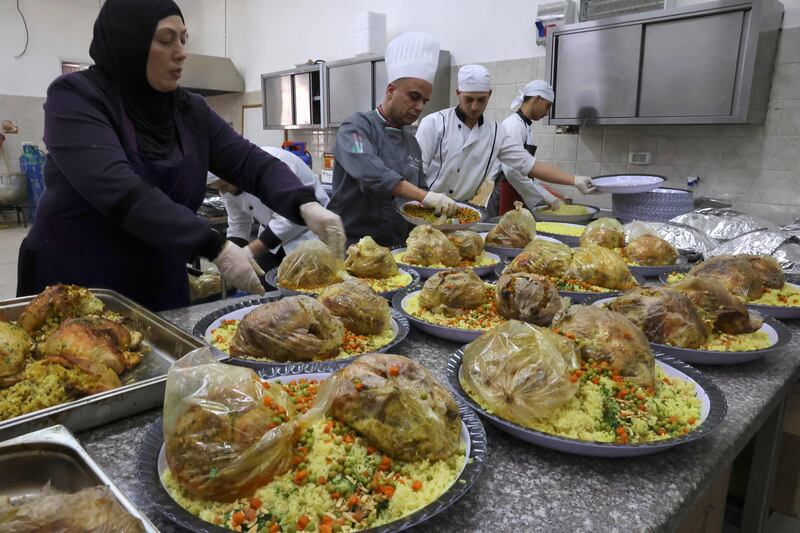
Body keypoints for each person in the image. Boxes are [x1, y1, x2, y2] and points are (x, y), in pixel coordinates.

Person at [15, 0, 344, 311]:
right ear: (130, 42)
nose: (181, 53)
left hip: (159, 277)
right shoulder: (76, 97)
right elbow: (116, 189)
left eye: (184, 40)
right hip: (80, 281)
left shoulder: (189, 110)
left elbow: (250, 162)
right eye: (165, 40)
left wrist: (305, 204)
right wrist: (215, 246)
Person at [327, 31, 457, 247]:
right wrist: (426, 196)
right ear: (390, 91)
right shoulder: (355, 129)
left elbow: (418, 201)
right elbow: (370, 171)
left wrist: (443, 219)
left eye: (425, 101)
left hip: (397, 249)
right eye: (414, 97)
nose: (420, 107)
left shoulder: (412, 145)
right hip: (351, 248)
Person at [415, 64, 595, 209]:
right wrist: (426, 199)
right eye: (468, 99)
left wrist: (574, 180)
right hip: (426, 207)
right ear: (458, 94)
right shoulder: (434, 124)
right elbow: (415, 175)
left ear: (490, 95)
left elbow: (528, 165)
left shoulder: (495, 133)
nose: (475, 107)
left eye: (481, 100)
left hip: (462, 211)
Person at [207, 146, 330, 272]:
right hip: (272, 238)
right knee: (266, 282)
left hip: (309, 235)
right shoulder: (227, 186)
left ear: (234, 171)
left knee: (310, 285)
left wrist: (249, 251)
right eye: (217, 188)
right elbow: (238, 224)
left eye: (223, 185)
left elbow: (290, 216)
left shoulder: (274, 163)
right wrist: (231, 256)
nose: (223, 191)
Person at [485, 80, 562, 219]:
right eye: (548, 106)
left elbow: (526, 169)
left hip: (516, 192)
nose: (547, 112)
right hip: (505, 193)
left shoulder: (527, 126)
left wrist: (543, 192)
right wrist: (542, 196)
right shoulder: (513, 125)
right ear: (537, 99)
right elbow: (511, 170)